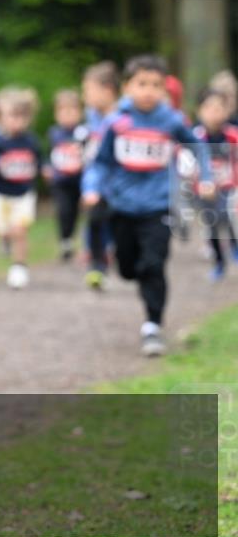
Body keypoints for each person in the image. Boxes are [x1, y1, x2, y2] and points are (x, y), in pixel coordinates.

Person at [82, 55, 215, 357]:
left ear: (164, 90)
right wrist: (91, 189)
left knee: (154, 264)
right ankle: (132, 271)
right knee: (129, 268)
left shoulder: (171, 120)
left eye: (156, 85)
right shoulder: (116, 122)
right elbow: (99, 162)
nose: (149, 91)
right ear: (127, 87)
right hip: (122, 206)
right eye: (142, 84)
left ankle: (153, 325)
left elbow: (198, 147)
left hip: (159, 206)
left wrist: (205, 177)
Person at [0, 87, 43, 289]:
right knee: (4, 231)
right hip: (0, 195)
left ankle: (19, 267)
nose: (17, 121)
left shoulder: (31, 141)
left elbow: (39, 160)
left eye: (21, 116)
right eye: (12, 116)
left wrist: (44, 169)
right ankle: (3, 239)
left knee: (20, 230)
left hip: (24, 195)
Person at [80, 61, 121, 290]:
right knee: (95, 221)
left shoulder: (125, 118)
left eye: (88, 90)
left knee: (117, 228)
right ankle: (97, 266)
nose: (84, 96)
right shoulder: (91, 118)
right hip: (98, 185)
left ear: (107, 90)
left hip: (122, 187)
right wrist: (89, 187)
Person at [192, 88, 238, 281]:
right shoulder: (194, 137)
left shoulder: (233, 136)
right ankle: (219, 263)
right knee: (212, 226)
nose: (214, 113)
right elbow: (185, 164)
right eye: (209, 108)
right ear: (199, 111)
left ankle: (234, 247)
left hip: (229, 188)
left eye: (219, 108)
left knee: (229, 218)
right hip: (204, 192)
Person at [44, 89, 89, 262]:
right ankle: (65, 240)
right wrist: (47, 167)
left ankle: (74, 240)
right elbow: (48, 153)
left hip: (79, 180)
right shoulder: (54, 133)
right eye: (63, 110)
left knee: (76, 212)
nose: (68, 114)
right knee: (64, 210)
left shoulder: (84, 133)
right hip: (60, 181)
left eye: (72, 110)